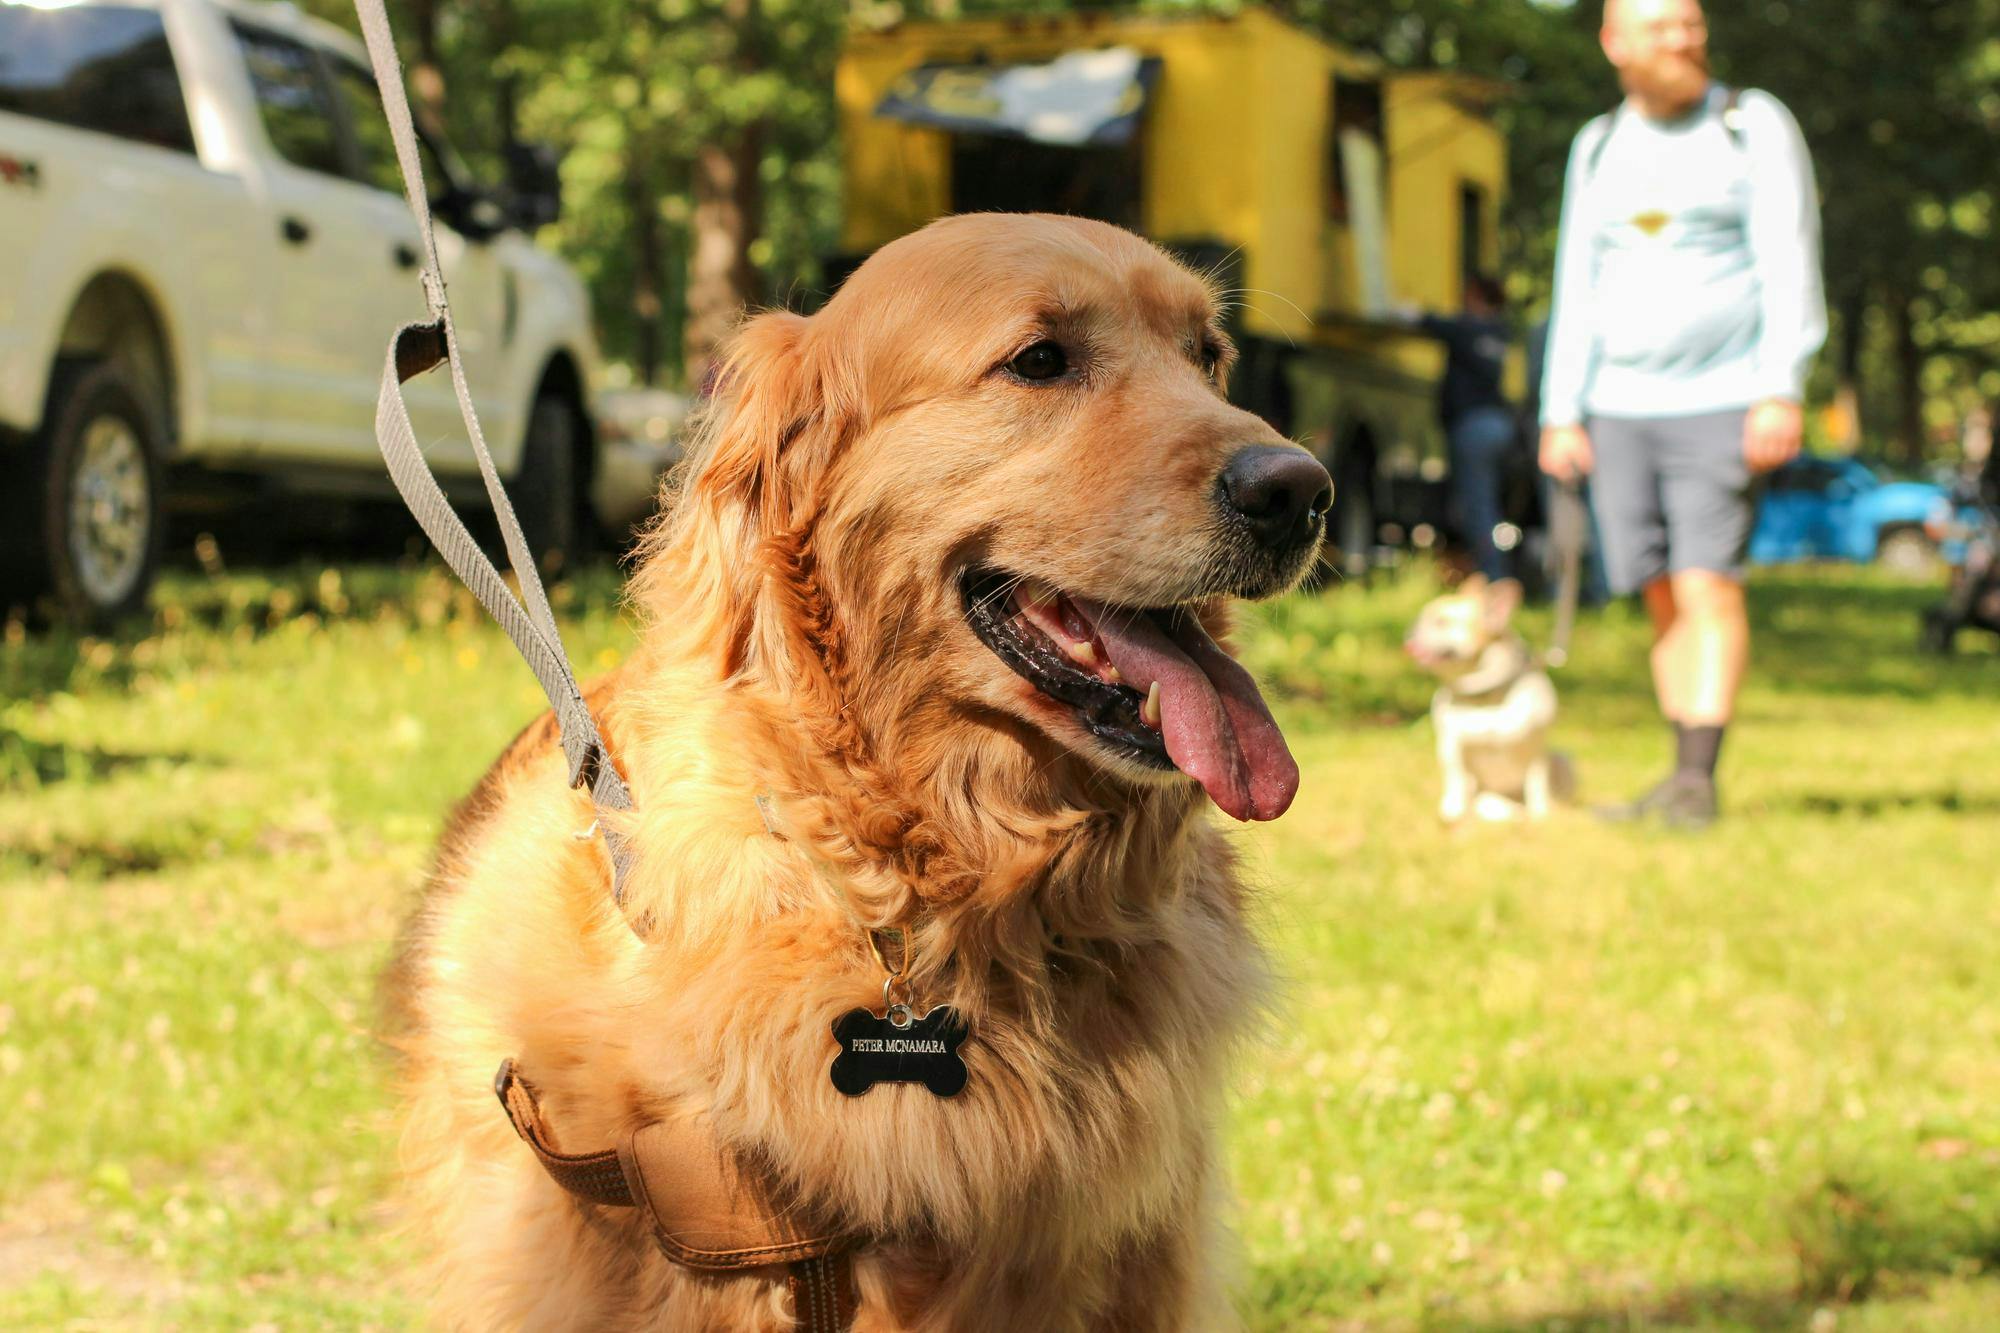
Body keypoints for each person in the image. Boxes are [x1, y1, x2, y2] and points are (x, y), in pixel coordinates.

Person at [1539, 0, 1825, 828]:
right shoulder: (1598, 146)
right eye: (1663, 26)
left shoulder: (1751, 124)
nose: (1684, 39)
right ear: (1615, 42)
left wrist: (1781, 384)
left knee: (1707, 583)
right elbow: (1576, 283)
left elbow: (1789, 255)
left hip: (1721, 401)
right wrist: (1562, 410)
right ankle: (1680, 771)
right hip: (1617, 407)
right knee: (1659, 589)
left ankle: (1698, 780)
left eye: (1691, 23)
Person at [1400, 275, 1520, 585]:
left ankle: (1492, 576)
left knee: (1475, 504)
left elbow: (1428, 322)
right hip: (1501, 424)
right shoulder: (1500, 333)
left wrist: (1406, 308)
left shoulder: (1468, 328)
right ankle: (1497, 568)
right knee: (1491, 500)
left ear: (1477, 295)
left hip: (1473, 428)